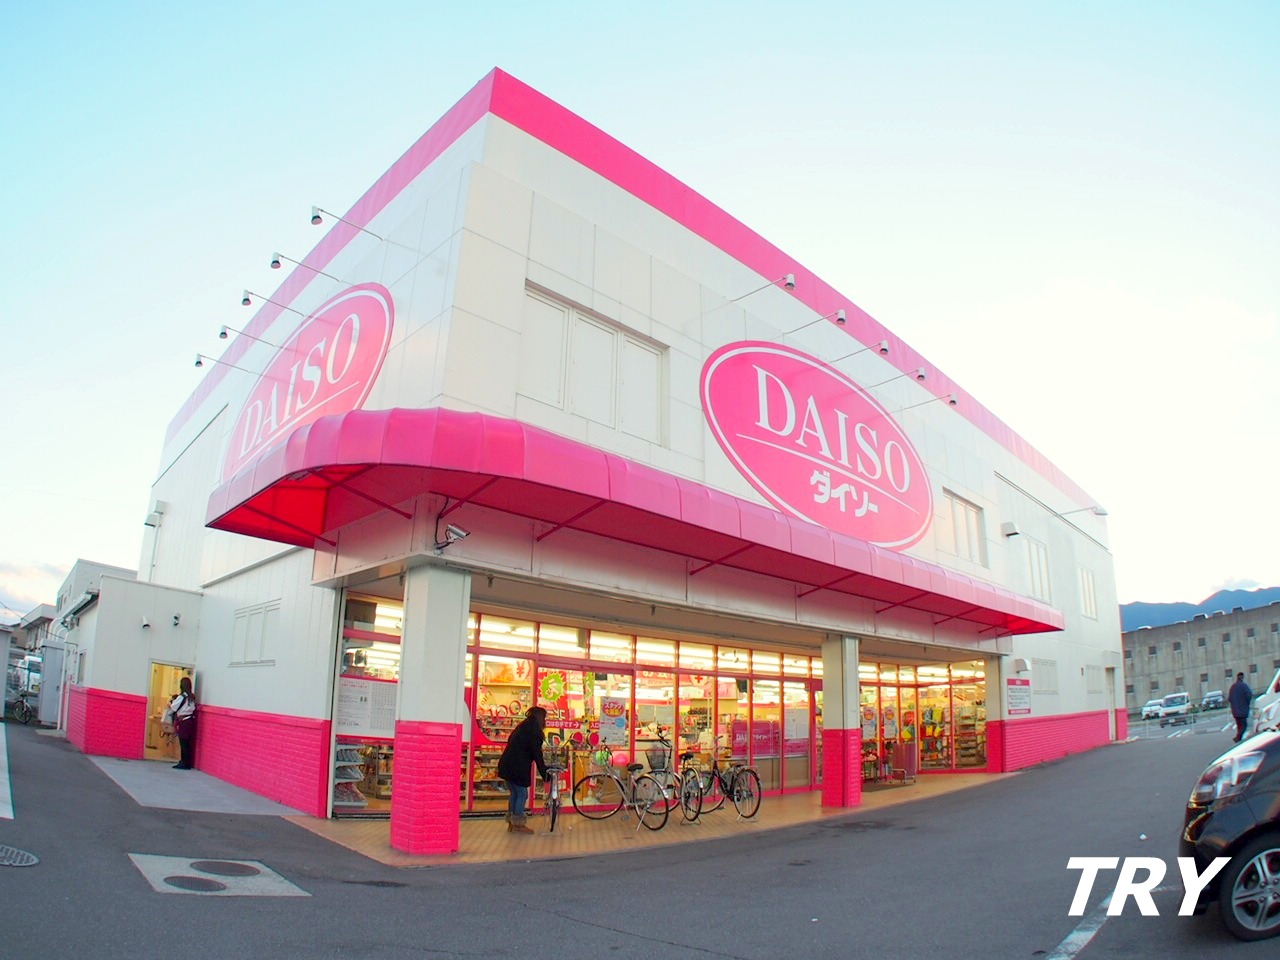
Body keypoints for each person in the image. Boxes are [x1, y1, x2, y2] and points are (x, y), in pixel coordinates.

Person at [496, 706, 548, 834]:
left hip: (507, 764)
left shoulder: (523, 726)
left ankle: (512, 823)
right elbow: (537, 754)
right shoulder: (534, 731)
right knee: (522, 794)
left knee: (514, 793)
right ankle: (518, 825)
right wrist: (545, 773)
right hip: (518, 767)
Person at [168, 677, 198, 769]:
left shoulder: (182, 697)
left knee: (183, 742)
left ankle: (183, 763)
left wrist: (170, 703)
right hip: (190, 720)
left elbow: (173, 707)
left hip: (183, 721)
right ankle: (187, 763)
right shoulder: (192, 697)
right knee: (188, 743)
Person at [1228, 672, 1253, 743]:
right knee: (1244, 725)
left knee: (1239, 725)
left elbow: (1229, 698)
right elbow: (1249, 695)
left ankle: (1238, 738)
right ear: (1242, 677)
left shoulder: (1233, 687)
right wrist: (1246, 703)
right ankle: (1238, 737)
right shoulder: (1244, 686)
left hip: (1235, 710)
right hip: (1243, 710)